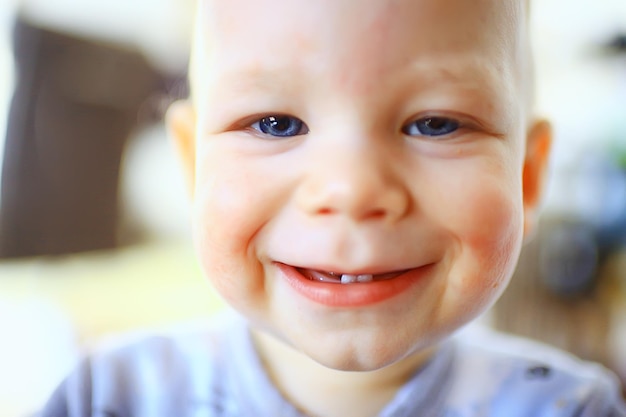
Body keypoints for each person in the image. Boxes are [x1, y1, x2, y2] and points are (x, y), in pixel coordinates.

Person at [39, 0, 626, 416]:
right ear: (194, 168)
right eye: (275, 124)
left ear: (527, 178)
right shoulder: (110, 399)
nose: (351, 189)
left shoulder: (569, 408)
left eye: (435, 124)